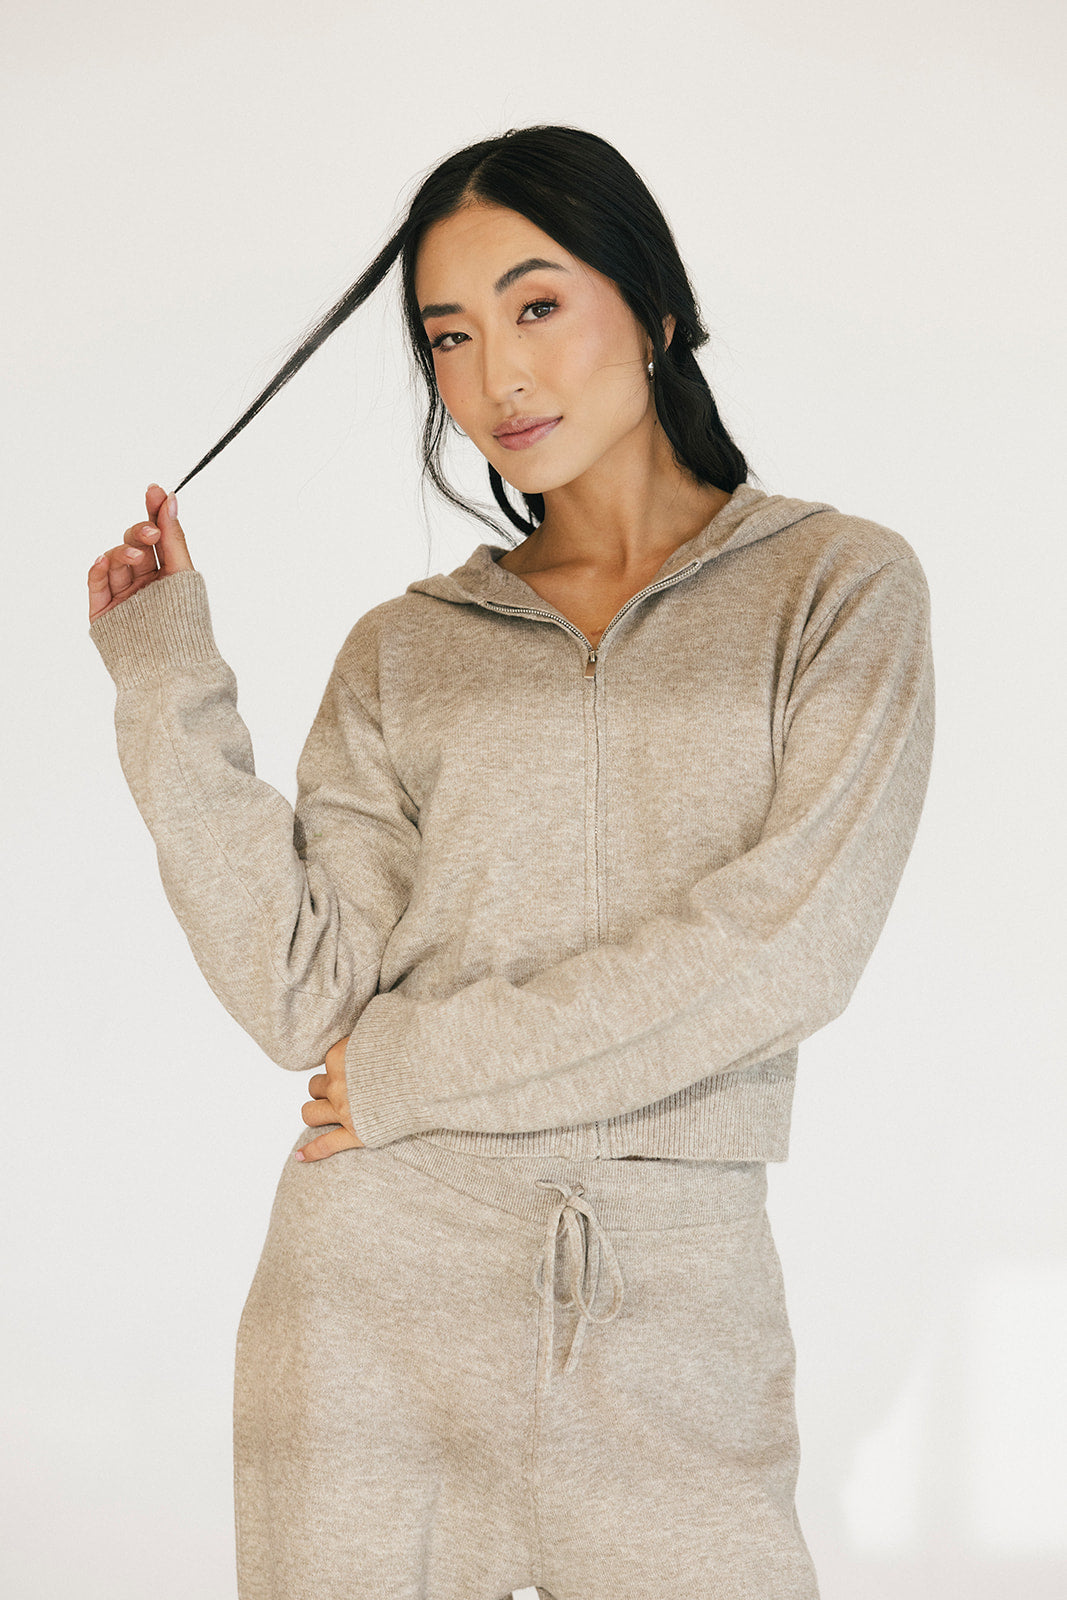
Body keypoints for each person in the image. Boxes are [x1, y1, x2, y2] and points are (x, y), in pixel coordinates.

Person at [86, 124, 935, 1600]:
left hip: (678, 1315)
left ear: (653, 307)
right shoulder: (405, 649)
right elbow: (303, 994)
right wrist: (165, 680)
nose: (497, 378)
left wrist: (422, 1070)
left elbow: (790, 948)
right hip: (373, 1299)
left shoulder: (836, 587)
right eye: (451, 336)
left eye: (537, 305)